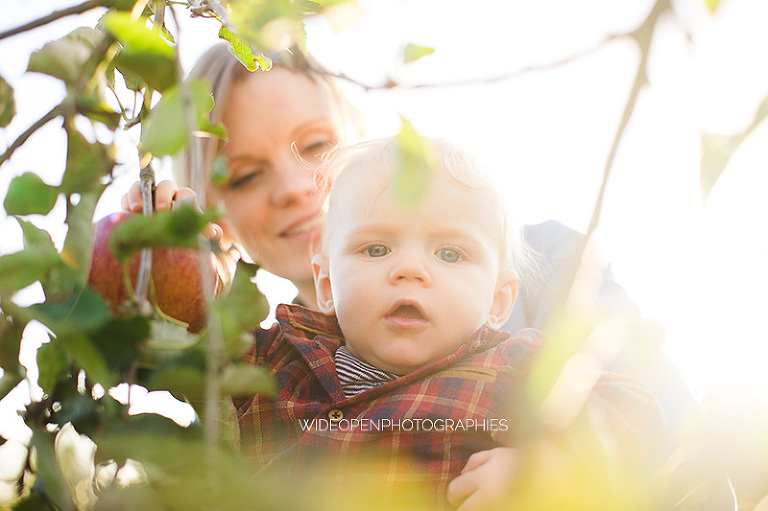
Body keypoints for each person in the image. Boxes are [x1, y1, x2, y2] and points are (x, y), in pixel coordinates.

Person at [121, 43, 735, 509]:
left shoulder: (526, 314)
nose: (291, 188)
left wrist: (551, 467)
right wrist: (168, 270)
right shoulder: (271, 365)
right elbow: (164, 359)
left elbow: (662, 438)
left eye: (315, 148)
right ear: (216, 207)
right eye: (246, 174)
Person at [232, 136, 667, 510]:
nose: (409, 270)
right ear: (326, 283)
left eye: (450, 254)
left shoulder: (511, 366)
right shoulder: (281, 359)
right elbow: (200, 337)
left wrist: (544, 467)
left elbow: (634, 414)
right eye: (377, 249)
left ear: (498, 301)